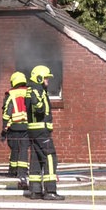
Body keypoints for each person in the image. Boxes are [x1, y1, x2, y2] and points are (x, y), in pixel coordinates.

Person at [25, 65, 64, 201]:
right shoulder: (37, 90)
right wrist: (40, 104)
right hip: (41, 130)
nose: (48, 80)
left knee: (36, 158)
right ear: (39, 77)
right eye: (46, 78)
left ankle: (35, 191)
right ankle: (50, 190)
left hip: (34, 130)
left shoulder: (33, 90)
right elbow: (38, 108)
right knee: (50, 157)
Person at [1, 71, 29, 189]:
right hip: (27, 126)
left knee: (14, 148)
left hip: (14, 126)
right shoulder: (29, 92)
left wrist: (4, 127)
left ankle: (13, 170)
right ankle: (22, 173)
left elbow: (7, 112)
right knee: (23, 150)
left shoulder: (10, 94)